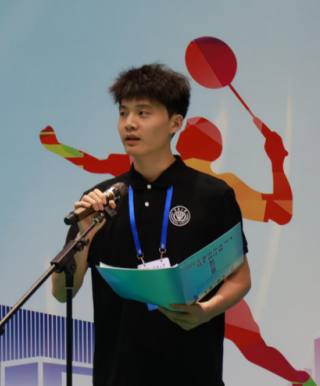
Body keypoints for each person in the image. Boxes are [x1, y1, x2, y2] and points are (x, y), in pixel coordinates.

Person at [51, 63, 251, 386]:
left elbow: (240, 277)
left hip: (194, 374)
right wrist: (86, 230)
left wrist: (207, 310)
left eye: (143, 113)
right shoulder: (99, 202)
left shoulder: (213, 195)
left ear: (175, 123)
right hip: (117, 375)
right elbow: (62, 292)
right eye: (123, 113)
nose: (129, 123)